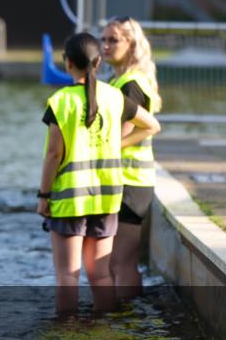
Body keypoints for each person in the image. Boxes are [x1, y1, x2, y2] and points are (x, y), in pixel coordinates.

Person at [37, 32, 159, 315]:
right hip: (106, 199)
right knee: (101, 275)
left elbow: (53, 155)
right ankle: (104, 331)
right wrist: (116, 144)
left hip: (70, 200)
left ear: (67, 63)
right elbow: (151, 124)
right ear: (98, 62)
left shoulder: (61, 101)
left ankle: (66, 333)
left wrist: (43, 196)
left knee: (68, 276)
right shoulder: (114, 97)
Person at [102, 17, 162, 300]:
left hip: (131, 183)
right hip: (126, 181)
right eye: (103, 40)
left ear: (132, 43)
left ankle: (127, 324)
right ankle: (125, 323)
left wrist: (107, 149)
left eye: (113, 40)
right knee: (117, 262)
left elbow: (127, 132)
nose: (105, 46)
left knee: (120, 261)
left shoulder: (131, 84)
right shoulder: (120, 79)